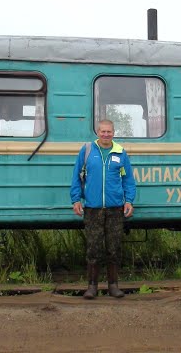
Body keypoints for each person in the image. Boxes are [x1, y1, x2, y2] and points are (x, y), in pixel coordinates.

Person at [70, 119, 136, 299]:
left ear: (113, 133)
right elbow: (77, 176)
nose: (106, 134)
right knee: (93, 248)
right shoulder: (87, 151)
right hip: (92, 208)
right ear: (97, 132)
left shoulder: (120, 153)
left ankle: (113, 286)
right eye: (103, 131)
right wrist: (76, 199)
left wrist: (129, 200)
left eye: (109, 132)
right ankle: (92, 287)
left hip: (115, 208)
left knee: (114, 248)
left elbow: (128, 180)